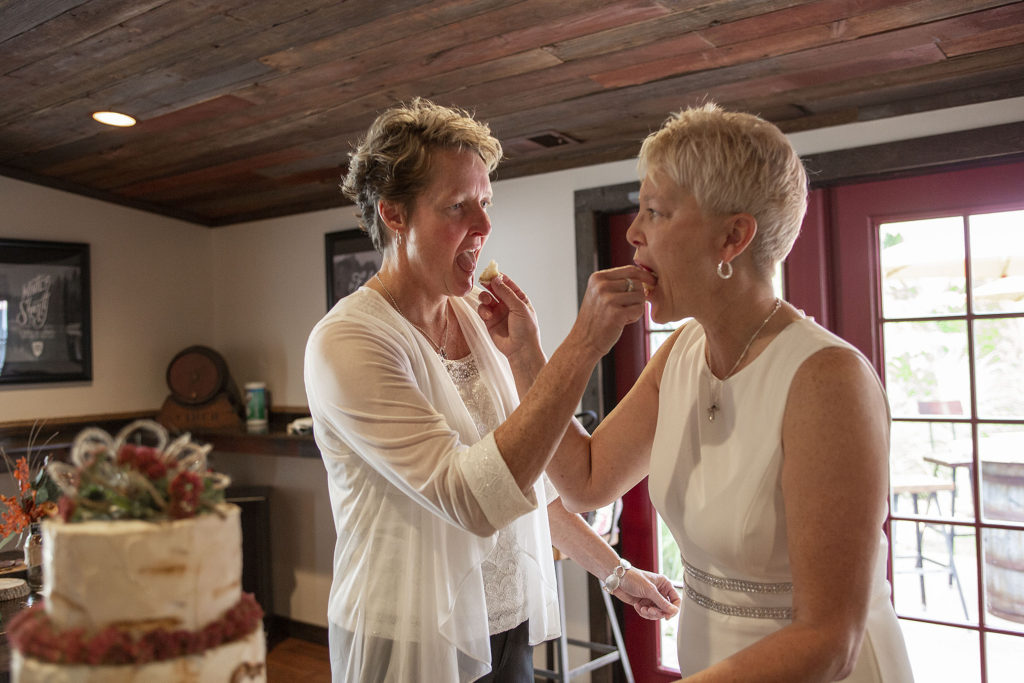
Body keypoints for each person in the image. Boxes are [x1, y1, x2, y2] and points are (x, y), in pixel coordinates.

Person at [502, 103, 914, 681]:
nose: (633, 231)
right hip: (709, 658)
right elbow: (584, 479)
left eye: (656, 211)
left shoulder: (827, 380)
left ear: (732, 237)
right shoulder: (680, 353)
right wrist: (528, 354)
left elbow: (828, 639)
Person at [303, 98, 677, 683]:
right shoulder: (349, 341)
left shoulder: (478, 319)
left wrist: (616, 573)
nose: (483, 225)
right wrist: (580, 347)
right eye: (458, 206)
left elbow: (522, 482)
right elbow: (472, 499)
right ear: (395, 215)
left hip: (505, 620)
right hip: (410, 635)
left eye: (486, 203)